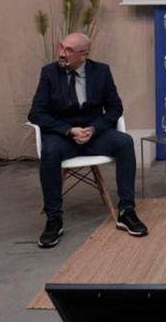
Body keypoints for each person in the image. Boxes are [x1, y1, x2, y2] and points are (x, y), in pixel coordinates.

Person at [28, 32, 147, 248]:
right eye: (61, 47)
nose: (62, 53)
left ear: (84, 55)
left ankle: (126, 211)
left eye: (69, 50)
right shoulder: (49, 73)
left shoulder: (101, 71)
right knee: (50, 151)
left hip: (95, 135)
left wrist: (94, 128)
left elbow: (115, 108)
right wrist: (69, 130)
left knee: (125, 142)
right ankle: (54, 219)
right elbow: (36, 114)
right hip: (63, 137)